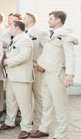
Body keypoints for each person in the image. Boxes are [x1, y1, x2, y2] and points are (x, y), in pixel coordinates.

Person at [30, 11, 79, 139]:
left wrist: (69, 74)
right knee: (47, 104)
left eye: (50, 19)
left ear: (58, 20)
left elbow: (70, 56)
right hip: (47, 74)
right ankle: (43, 129)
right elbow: (48, 53)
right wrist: (40, 64)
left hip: (58, 74)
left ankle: (60, 134)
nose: (48, 21)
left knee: (60, 105)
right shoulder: (51, 34)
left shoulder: (66, 35)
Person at [2, 21, 34, 139]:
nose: (9, 28)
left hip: (21, 76)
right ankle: (10, 122)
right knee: (11, 100)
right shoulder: (14, 39)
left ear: (17, 28)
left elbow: (24, 56)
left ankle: (26, 128)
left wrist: (7, 62)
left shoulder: (25, 39)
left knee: (24, 103)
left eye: (11, 26)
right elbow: (12, 52)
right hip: (11, 75)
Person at [23, 12, 48, 126]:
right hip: (24, 70)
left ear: (31, 20)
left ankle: (43, 124)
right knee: (26, 97)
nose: (23, 19)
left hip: (37, 69)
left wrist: (42, 64)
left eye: (25, 18)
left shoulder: (41, 33)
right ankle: (28, 122)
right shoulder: (22, 33)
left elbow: (48, 50)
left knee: (39, 96)